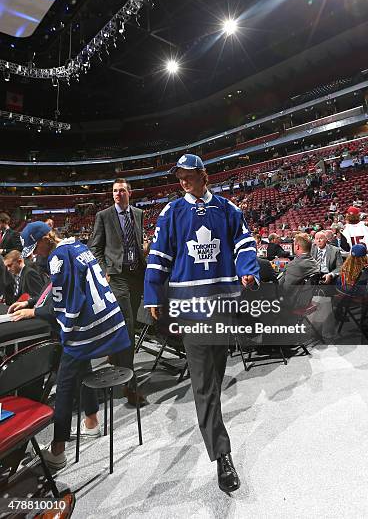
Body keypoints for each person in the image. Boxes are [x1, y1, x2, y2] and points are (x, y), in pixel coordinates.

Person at [144, 153, 259, 493]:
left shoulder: (227, 208)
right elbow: (159, 255)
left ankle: (211, 422)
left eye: (189, 175)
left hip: (221, 304)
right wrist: (153, 294)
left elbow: (244, 242)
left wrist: (248, 270)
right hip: (190, 308)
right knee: (204, 384)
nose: (183, 181)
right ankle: (222, 456)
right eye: (179, 176)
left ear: (203, 175)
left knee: (216, 375)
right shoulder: (171, 212)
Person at [8, 221, 130, 470]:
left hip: (90, 327)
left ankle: (58, 450)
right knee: (82, 365)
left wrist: (34, 312)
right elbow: (62, 287)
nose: (36, 254)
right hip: (108, 319)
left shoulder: (57, 257)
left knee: (64, 386)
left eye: (36, 248)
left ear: (44, 240)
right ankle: (92, 422)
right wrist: (32, 301)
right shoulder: (76, 246)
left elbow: (63, 302)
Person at [88, 178, 146, 406]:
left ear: (129, 193)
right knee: (129, 327)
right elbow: (95, 247)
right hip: (118, 277)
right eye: (114, 191)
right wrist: (105, 271)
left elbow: (137, 241)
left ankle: (116, 356)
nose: (117, 194)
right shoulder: (103, 216)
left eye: (121, 190)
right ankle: (130, 387)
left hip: (136, 275)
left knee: (128, 325)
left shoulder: (139, 214)